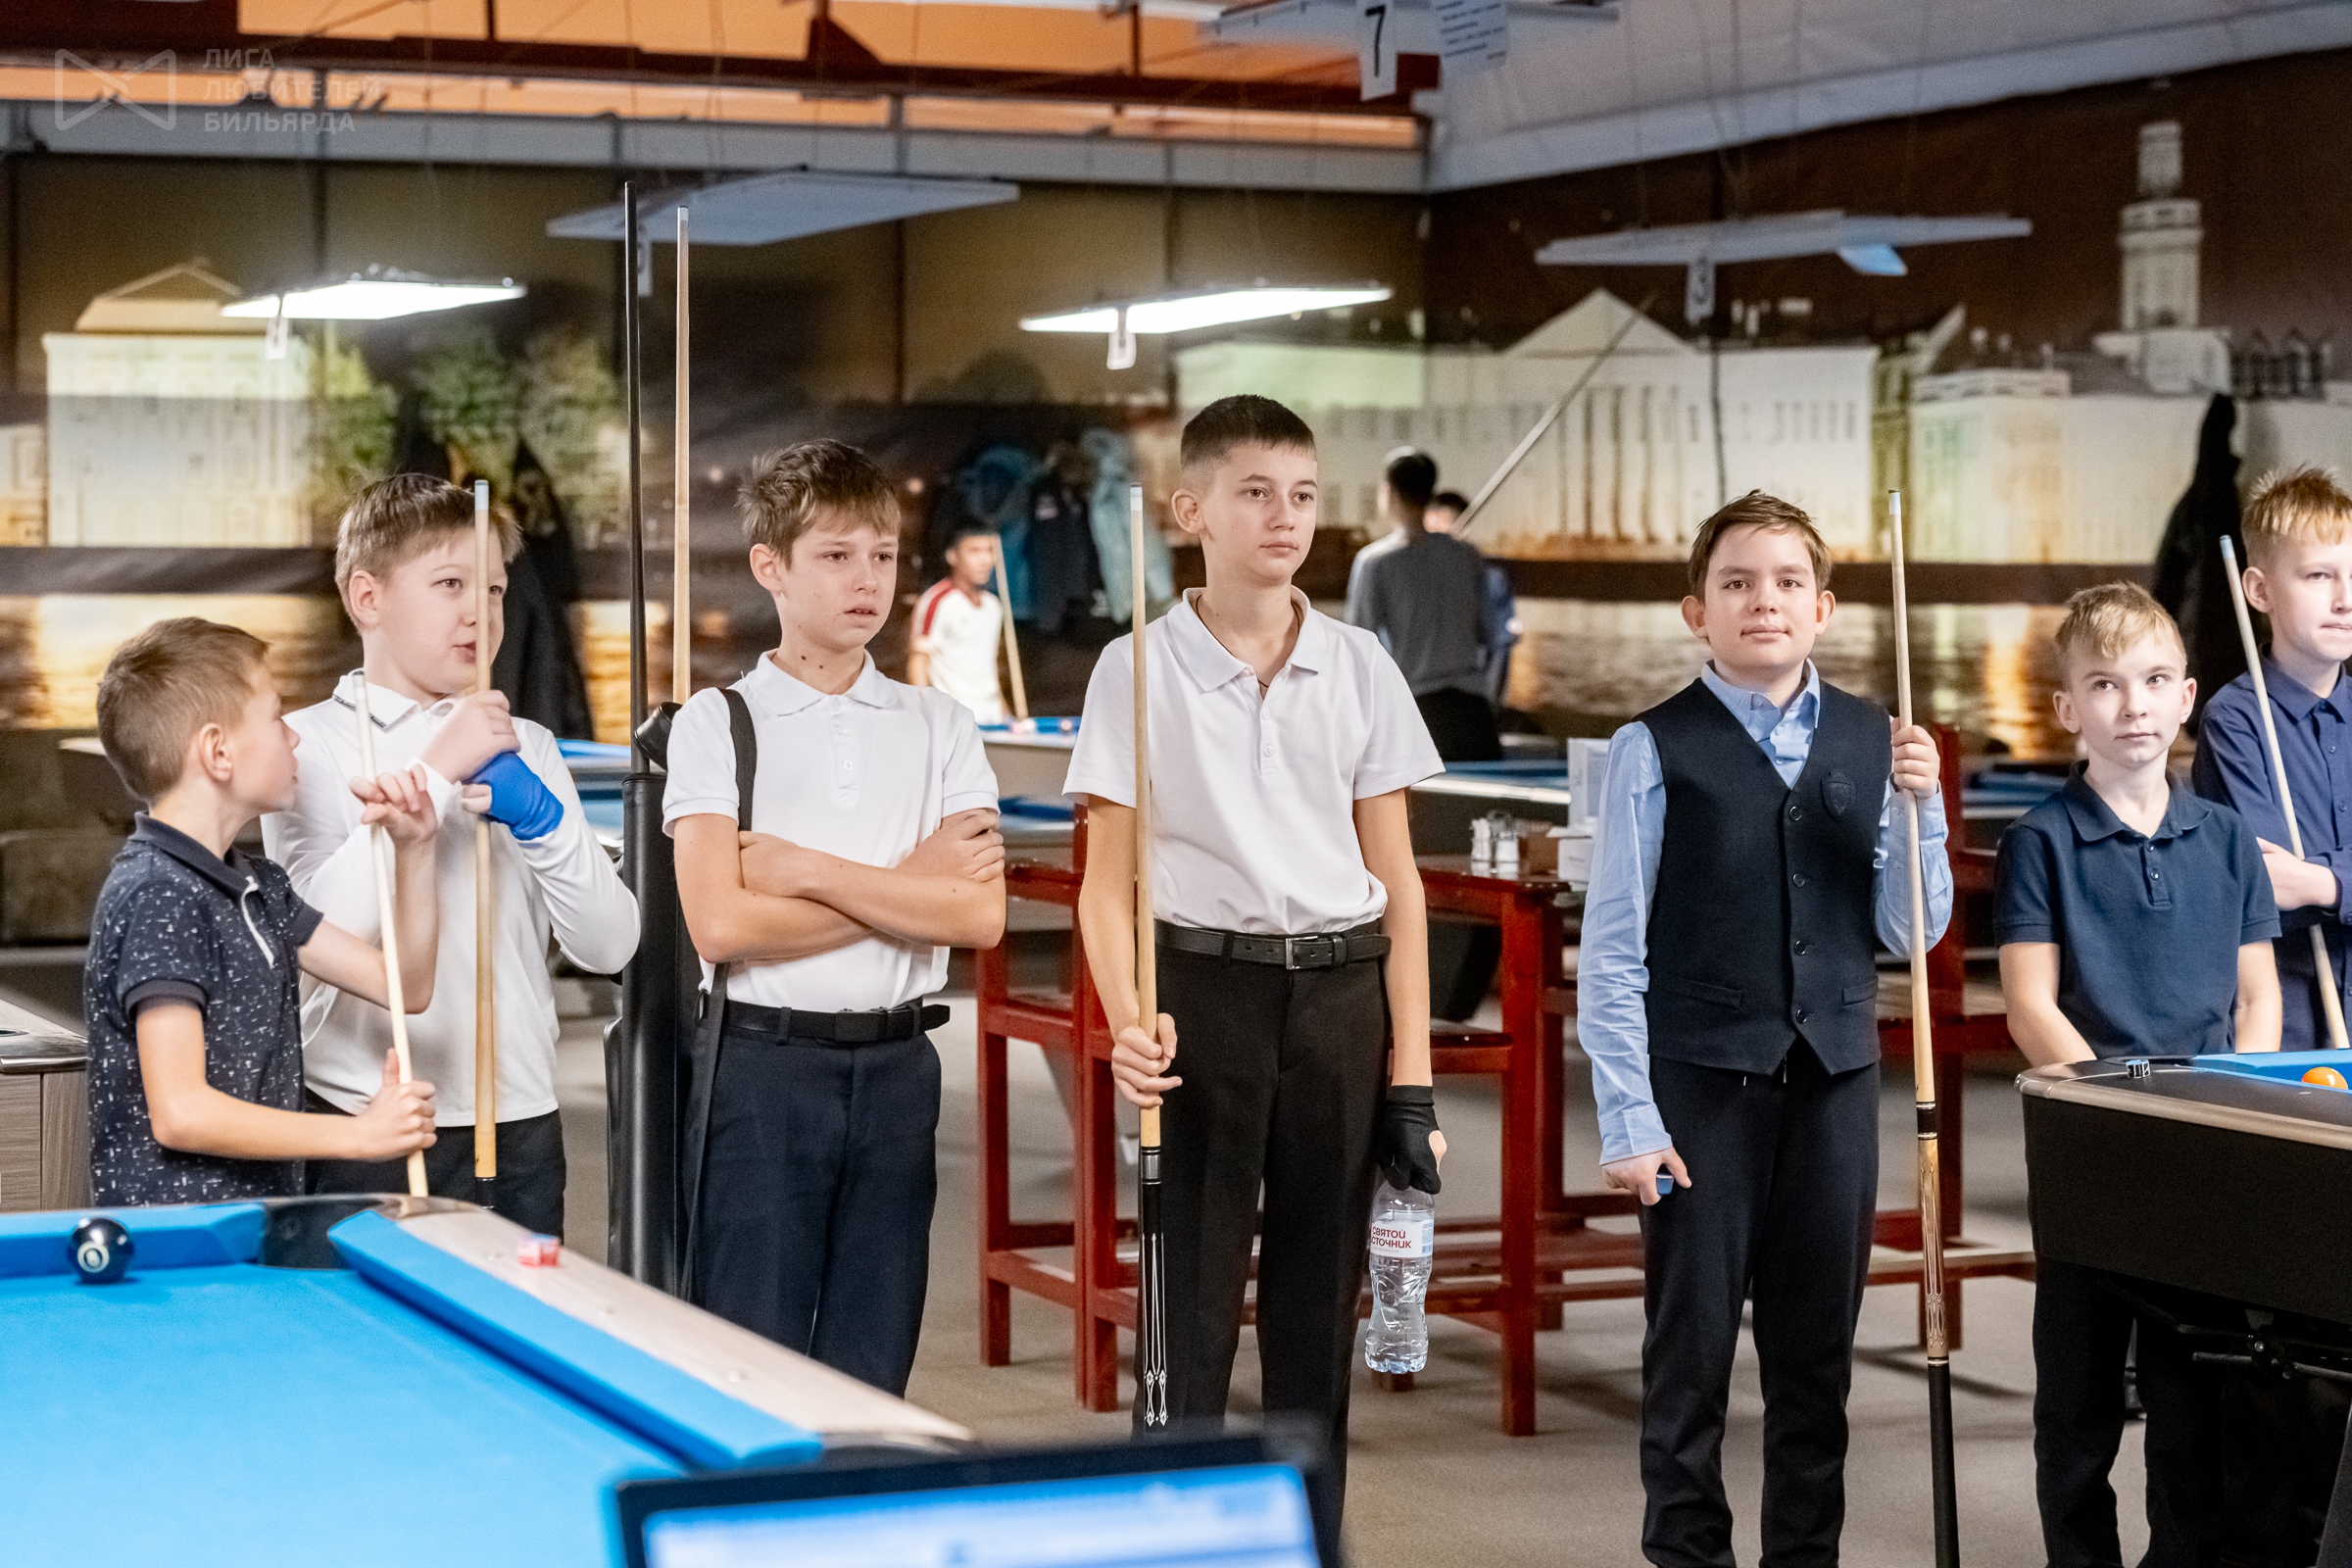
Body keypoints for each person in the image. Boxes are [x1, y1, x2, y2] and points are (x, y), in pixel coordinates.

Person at [1066, 395, 1446, 1539]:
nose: (1285, 516)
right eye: (1255, 492)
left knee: (1315, 1313)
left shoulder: (1360, 664)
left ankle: (1304, 1541)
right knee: (1187, 1309)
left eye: (1303, 494)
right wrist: (1129, 1021)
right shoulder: (1135, 668)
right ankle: (1176, 1545)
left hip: (1341, 999)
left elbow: (1400, 882)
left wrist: (1412, 1077)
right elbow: (1104, 885)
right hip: (1201, 1001)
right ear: (1191, 510)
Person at [1576, 490, 1952, 1568]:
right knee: (1688, 1357)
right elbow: (1612, 951)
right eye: (1736, 582)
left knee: (1815, 1364)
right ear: (1697, 610)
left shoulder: (1878, 739)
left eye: (1788, 582)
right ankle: (1686, 1555)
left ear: (1823, 607)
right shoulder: (1653, 746)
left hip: (1835, 1082)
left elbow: (1907, 933)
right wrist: (1629, 1117)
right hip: (1699, 1088)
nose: (1764, 601)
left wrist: (1922, 813)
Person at [666, 438, 1005, 1395]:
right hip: (761, 1068)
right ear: (770, 566)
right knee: (750, 1360)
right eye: (836, 555)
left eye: (883, 555)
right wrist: (910, 888)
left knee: (875, 1359)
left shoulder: (940, 725)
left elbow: (978, 914)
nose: (867, 580)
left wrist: (807, 871)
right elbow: (721, 926)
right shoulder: (718, 722)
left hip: (900, 1069)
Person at [265, 474, 639, 1241]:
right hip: (365, 1117)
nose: (481, 611)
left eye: (495, 588)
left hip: (521, 1119)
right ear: (366, 597)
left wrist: (542, 821)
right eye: (450, 584)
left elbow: (610, 947)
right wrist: (436, 773)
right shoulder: (306, 744)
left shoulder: (528, 744)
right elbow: (316, 941)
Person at [1997, 580, 2280, 1568]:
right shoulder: (2040, 841)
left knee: (2191, 1400)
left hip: (2202, 1149)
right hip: (2091, 1149)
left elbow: (2258, 999)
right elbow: (2031, 1007)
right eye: (2106, 685)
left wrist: (2230, 1107)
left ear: (2188, 695)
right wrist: (2121, 1114)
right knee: (2076, 1406)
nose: (2134, 705)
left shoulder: (2229, 840)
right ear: (2068, 707)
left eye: (2156, 681)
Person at [84, 617, 440, 1206]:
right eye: (276, 718)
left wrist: (416, 849)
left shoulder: (258, 886)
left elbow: (405, 986)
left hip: (251, 1226)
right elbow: (181, 1112)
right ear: (218, 752)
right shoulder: (159, 893)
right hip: (181, 1243)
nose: (293, 738)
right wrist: (360, 1135)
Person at [2193, 466, 2352, 1052]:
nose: (2346, 600)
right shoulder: (2234, 721)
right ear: (2258, 591)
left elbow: (2300, 882)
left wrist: (2323, 881)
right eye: (2319, 576)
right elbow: (2270, 887)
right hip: (2284, 1031)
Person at [1348, 447, 1501, 760]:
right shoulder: (1466, 555)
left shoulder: (1375, 562)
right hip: (1475, 715)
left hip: (1417, 712)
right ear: (1431, 493)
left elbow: (1360, 647)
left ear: (1389, 494)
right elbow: (1490, 633)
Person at [1428, 489, 1521, 709]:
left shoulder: (1489, 580)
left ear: (1465, 528)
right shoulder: (1410, 579)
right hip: (1420, 700)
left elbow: (1500, 648)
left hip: (1469, 699)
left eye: (1442, 526)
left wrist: (1490, 708)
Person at [908, 522, 1009, 724]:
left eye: (990, 551)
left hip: (993, 719)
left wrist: (1006, 716)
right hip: (954, 721)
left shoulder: (993, 606)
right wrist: (925, 719)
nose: (985, 560)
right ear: (952, 556)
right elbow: (918, 661)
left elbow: (987, 669)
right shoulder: (937, 601)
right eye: (974, 551)